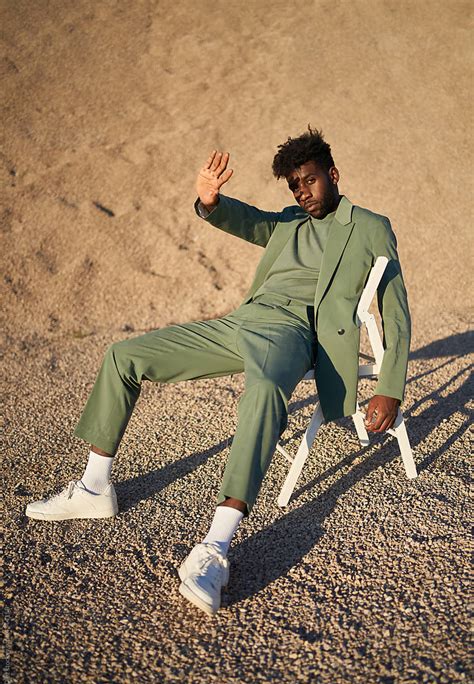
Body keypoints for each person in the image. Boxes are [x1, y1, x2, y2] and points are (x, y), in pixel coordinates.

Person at [25, 126, 411, 616]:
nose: (303, 192)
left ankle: (215, 548)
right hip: (241, 322)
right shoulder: (289, 221)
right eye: (295, 186)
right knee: (125, 355)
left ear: (333, 175)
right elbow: (247, 220)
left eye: (310, 181)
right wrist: (209, 201)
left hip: (292, 333)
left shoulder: (371, 226)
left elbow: (396, 310)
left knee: (266, 390)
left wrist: (389, 387)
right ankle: (94, 488)